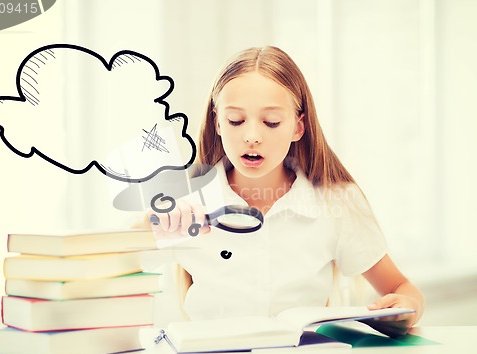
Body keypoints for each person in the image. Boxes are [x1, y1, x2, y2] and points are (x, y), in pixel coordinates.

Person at [144, 46, 424, 336]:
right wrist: (147, 223)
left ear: (298, 127)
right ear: (217, 122)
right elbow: (105, 269)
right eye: (235, 121)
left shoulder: (335, 202)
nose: (252, 136)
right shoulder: (188, 201)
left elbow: (403, 290)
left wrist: (405, 307)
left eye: (271, 122)